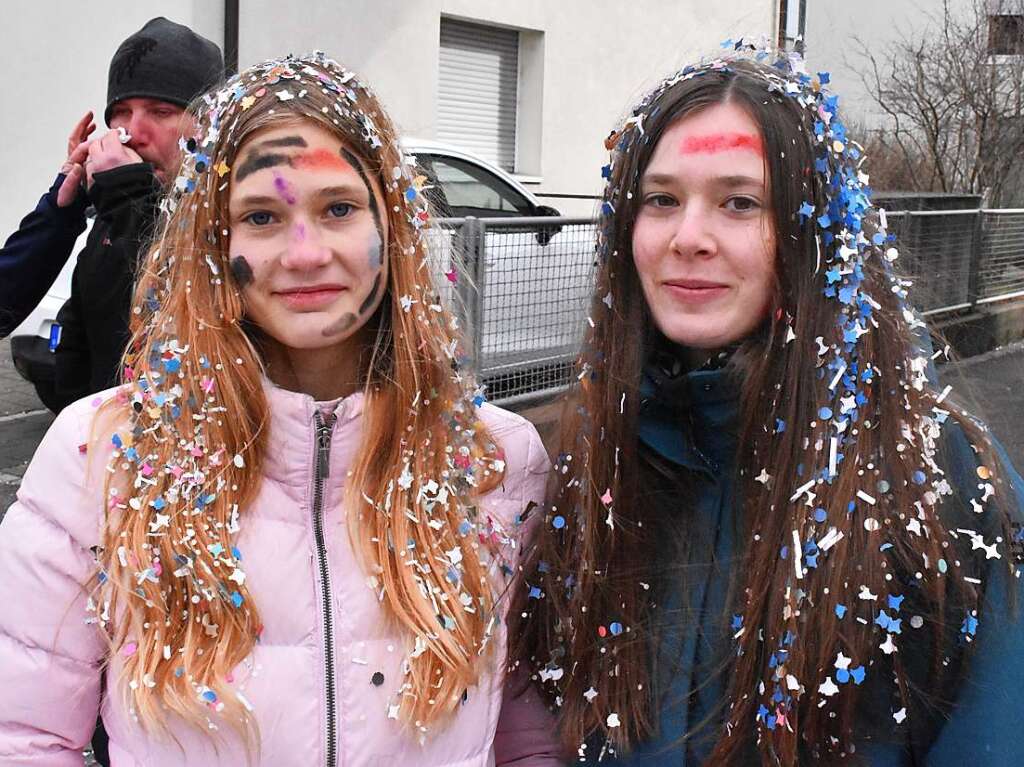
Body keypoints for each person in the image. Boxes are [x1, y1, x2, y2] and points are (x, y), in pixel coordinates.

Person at [0, 52, 559, 766]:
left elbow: (522, 738)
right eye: (261, 215)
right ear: (213, 240)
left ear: (391, 224)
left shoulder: (495, 462)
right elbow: (25, 739)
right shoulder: (103, 456)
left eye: (338, 209)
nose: (305, 253)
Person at [518, 44, 1024, 765]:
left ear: (813, 237)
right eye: (661, 199)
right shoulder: (594, 460)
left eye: (740, 202)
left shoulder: (937, 475)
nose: (689, 237)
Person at [0, 17, 223, 412]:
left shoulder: (235, 216)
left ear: (208, 124)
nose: (134, 132)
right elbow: (76, 337)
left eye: (161, 110)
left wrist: (126, 196)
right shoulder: (113, 214)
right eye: (120, 111)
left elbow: (180, 310)